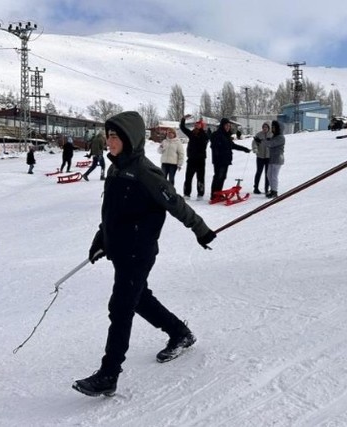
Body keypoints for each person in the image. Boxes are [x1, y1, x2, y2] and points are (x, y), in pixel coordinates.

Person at [72, 111, 217, 397]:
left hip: (139, 250)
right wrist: (101, 239)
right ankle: (179, 333)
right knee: (139, 299)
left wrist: (201, 230)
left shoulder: (145, 172)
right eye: (108, 135)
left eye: (114, 136)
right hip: (121, 249)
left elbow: (175, 203)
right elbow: (111, 213)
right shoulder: (116, 169)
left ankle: (108, 374)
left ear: (129, 139)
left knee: (121, 307)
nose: (109, 141)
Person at [210, 118, 250, 201]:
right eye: (226, 125)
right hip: (219, 160)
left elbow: (233, 145)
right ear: (222, 125)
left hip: (226, 160)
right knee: (218, 176)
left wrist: (244, 149)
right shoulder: (217, 134)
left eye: (229, 125)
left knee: (223, 177)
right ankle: (214, 195)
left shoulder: (227, 135)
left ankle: (218, 193)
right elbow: (213, 146)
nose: (228, 127)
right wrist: (217, 153)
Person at [179, 115, 210, 199]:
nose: (196, 125)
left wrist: (203, 129)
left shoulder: (204, 135)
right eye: (195, 124)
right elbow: (182, 127)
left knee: (200, 178)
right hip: (191, 159)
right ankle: (186, 194)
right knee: (188, 178)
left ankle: (200, 194)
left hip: (200, 160)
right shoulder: (191, 134)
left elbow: (206, 140)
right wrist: (183, 119)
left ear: (201, 126)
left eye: (198, 124)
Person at [265, 120, 285, 199]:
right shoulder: (275, 136)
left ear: (278, 128)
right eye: (272, 127)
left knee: (274, 176)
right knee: (269, 175)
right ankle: (272, 189)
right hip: (272, 158)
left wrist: (263, 141)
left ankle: (274, 191)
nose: (272, 129)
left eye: (274, 127)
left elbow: (271, 144)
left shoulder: (281, 137)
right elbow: (270, 142)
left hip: (277, 159)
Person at [251, 122, 271, 195]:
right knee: (259, 172)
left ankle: (266, 189)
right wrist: (255, 149)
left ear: (269, 128)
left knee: (267, 174)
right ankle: (256, 188)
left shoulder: (272, 135)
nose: (265, 128)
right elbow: (254, 143)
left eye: (266, 127)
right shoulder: (259, 135)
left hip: (269, 157)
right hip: (260, 156)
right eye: (264, 127)